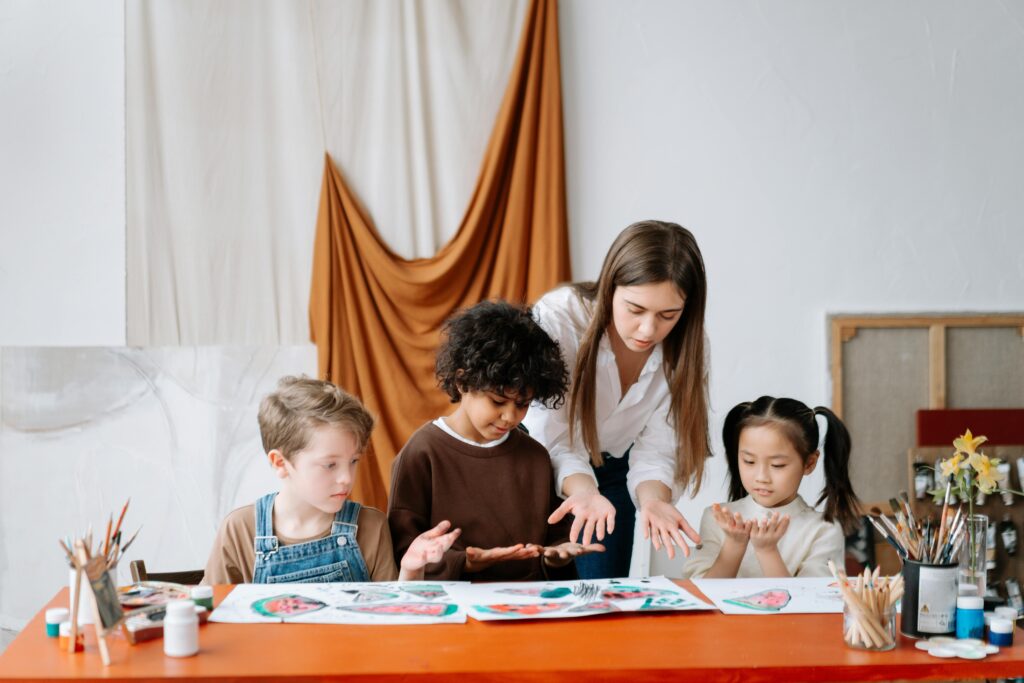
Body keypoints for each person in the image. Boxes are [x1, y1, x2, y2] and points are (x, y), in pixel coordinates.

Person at [521, 220, 711, 578]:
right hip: (535, 463)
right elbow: (553, 434)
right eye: (635, 310)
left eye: (668, 315)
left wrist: (654, 501)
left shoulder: (686, 351)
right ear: (609, 288)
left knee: (603, 599)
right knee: (532, 592)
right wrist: (582, 489)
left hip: (613, 476)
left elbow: (658, 448)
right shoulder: (560, 317)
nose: (648, 330)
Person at [388, 300, 604, 581]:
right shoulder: (422, 453)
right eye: (498, 401)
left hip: (530, 607)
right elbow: (404, 550)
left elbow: (553, 537)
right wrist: (464, 563)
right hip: (456, 609)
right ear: (463, 382)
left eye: (523, 403)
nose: (510, 417)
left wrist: (557, 555)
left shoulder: (535, 456)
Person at [203, 376, 458, 584]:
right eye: (330, 465)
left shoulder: (371, 526)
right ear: (280, 463)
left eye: (354, 461)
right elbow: (213, 618)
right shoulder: (239, 530)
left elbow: (393, 623)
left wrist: (411, 571)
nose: (346, 478)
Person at [682, 396, 860, 578]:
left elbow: (810, 601)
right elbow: (702, 594)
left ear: (809, 463)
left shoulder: (823, 530)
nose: (761, 477)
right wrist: (733, 545)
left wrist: (767, 551)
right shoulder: (716, 518)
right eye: (749, 461)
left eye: (777, 465)